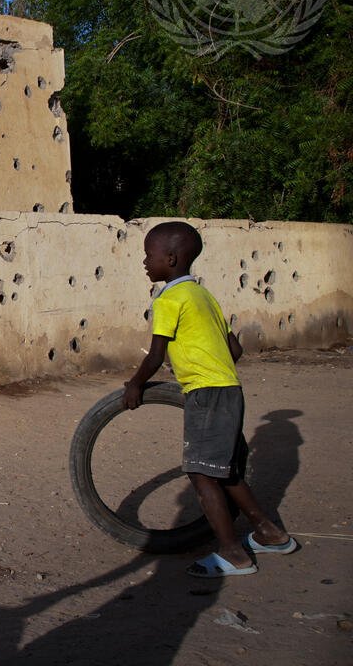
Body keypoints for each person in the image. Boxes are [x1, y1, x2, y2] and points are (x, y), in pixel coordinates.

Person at [123, 221, 298, 577]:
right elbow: (234, 348)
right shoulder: (204, 295)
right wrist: (208, 365)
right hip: (229, 389)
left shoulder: (169, 298)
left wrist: (135, 385)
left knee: (202, 475)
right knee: (227, 471)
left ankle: (233, 553)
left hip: (206, 393)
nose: (144, 262)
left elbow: (156, 354)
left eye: (148, 255)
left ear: (170, 259)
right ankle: (270, 532)